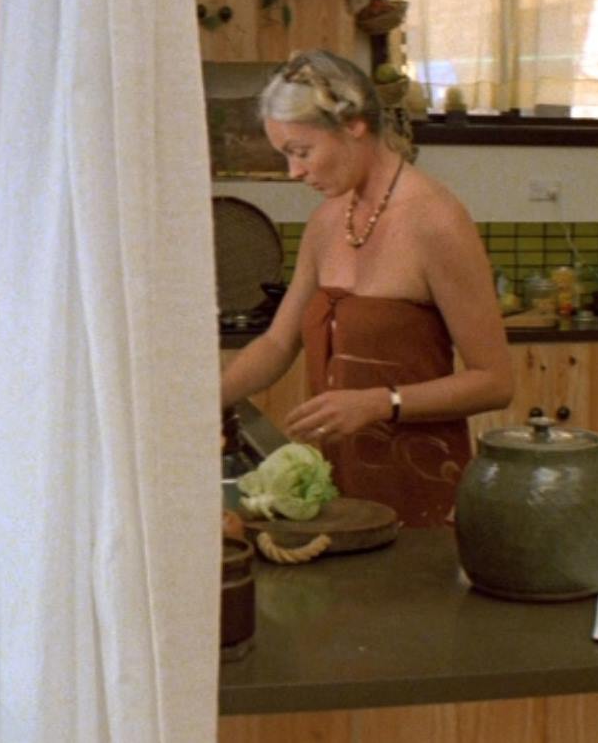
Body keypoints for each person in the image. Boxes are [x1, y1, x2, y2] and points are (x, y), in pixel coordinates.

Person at [219, 50, 513, 528]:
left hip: (420, 487)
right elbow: (277, 344)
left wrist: (381, 402)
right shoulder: (326, 221)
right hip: (339, 487)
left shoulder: (436, 220)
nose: (294, 172)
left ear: (353, 124)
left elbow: (495, 381)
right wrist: (203, 404)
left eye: (301, 152)